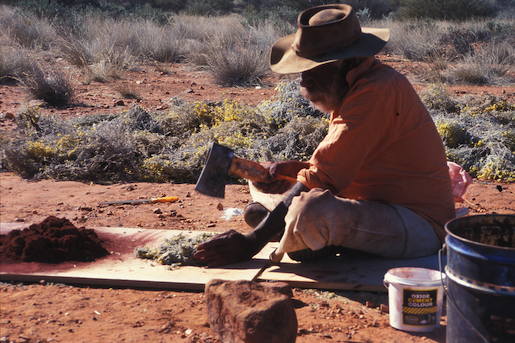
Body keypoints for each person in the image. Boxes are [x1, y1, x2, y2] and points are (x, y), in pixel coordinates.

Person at [193, 4, 456, 267]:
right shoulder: (353, 87)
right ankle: (318, 238)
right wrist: (287, 170)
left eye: (314, 69)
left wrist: (252, 242)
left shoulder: (377, 91)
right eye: (302, 69)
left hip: (419, 225)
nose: (303, 80)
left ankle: (313, 236)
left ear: (346, 62)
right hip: (374, 207)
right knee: (260, 209)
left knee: (309, 211)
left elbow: (323, 176)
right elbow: (335, 167)